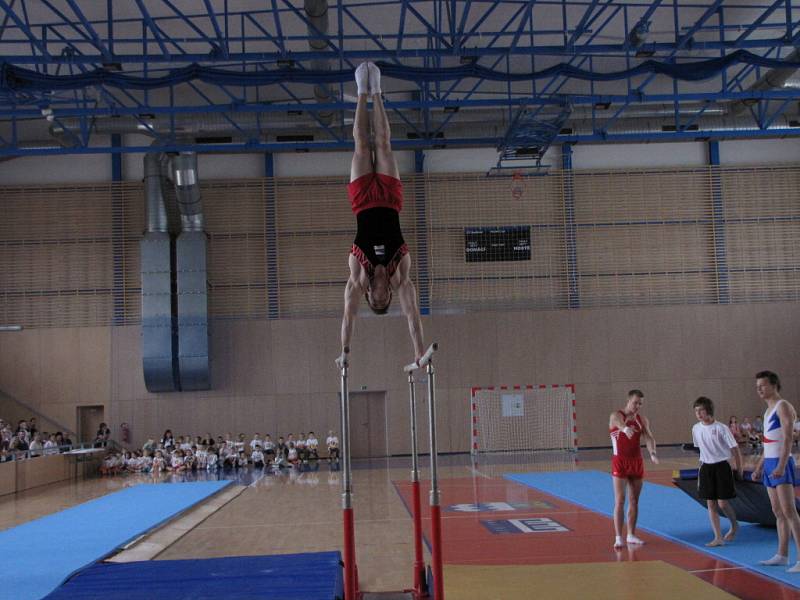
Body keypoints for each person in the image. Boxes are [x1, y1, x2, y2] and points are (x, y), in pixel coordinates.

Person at [338, 62, 424, 367]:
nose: (381, 294)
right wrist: (418, 350)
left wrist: (345, 351)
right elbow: (412, 315)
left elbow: (348, 317)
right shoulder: (401, 273)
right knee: (385, 144)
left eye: (376, 299)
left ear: (369, 295)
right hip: (390, 199)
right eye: (385, 298)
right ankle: (377, 93)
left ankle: (362, 93)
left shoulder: (357, 276)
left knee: (362, 145)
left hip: (361, 201)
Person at [751, 371, 800, 571]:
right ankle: (782, 555)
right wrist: (759, 466)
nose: (759, 390)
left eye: (762, 385)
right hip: (770, 462)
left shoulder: (783, 406)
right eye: (757, 387)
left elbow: (788, 438)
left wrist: (780, 466)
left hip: (782, 462)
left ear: (774, 385)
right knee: (777, 511)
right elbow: (768, 442)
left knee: (789, 511)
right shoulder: (767, 410)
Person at [609, 389, 659, 549]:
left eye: (640, 404)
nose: (637, 406)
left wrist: (652, 453)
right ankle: (618, 537)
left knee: (634, 501)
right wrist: (624, 429)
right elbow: (618, 423)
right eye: (635, 402)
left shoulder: (642, 420)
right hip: (620, 462)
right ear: (628, 400)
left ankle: (631, 534)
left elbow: (649, 437)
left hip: (636, 462)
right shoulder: (616, 415)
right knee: (620, 500)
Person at [691, 397, 743, 547]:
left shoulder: (721, 428)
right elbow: (701, 450)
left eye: (701, 410)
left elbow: (735, 450)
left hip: (722, 466)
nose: (698, 413)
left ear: (709, 411)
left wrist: (739, 469)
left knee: (722, 503)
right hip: (706, 467)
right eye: (696, 410)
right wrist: (701, 471)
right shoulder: (696, 428)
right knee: (711, 504)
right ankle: (718, 536)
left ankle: (734, 525)